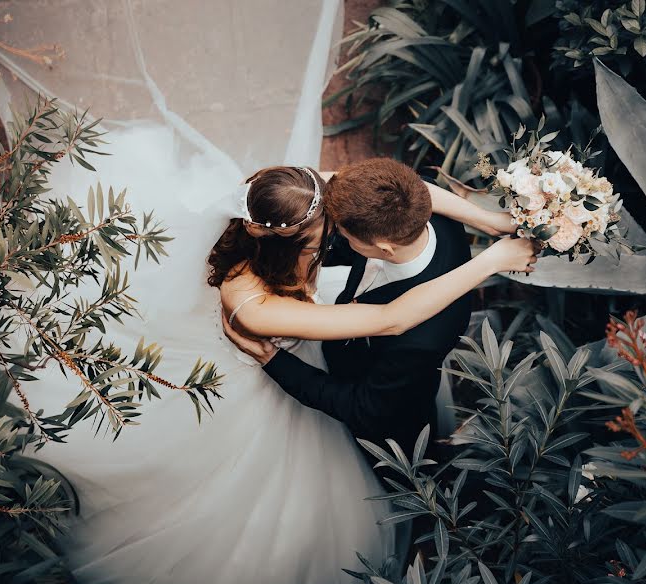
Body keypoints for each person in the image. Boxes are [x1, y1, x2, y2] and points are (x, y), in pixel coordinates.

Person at [222, 158, 529, 460]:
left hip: (385, 419)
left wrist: (272, 359)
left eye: (341, 232)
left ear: (384, 249)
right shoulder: (400, 211)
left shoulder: (424, 336)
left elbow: (367, 408)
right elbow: (390, 315)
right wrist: (491, 244)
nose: (334, 231)